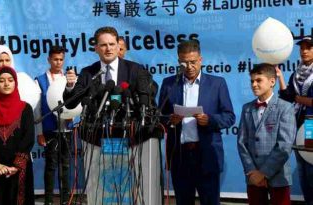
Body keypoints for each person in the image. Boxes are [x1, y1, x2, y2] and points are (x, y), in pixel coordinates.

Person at [64, 26, 162, 205]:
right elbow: (71, 103)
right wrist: (70, 87)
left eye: (111, 44)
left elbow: (149, 96)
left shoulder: (135, 70)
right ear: (96, 48)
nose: (108, 48)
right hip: (97, 140)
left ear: (119, 46)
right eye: (103, 45)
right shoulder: (88, 73)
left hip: (132, 138)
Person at [158, 40, 235, 205]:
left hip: (206, 155)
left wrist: (210, 120)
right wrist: (171, 120)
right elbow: (160, 117)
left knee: (210, 202)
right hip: (180, 155)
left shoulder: (217, 83)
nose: (189, 66)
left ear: (201, 60)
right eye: (184, 63)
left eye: (193, 62)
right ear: (179, 62)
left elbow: (229, 117)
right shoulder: (169, 83)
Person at [238, 63, 296, 205]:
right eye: (252, 81)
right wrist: (252, 171)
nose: (254, 84)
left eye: (259, 80)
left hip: (278, 176)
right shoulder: (247, 108)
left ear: (272, 82)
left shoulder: (285, 107)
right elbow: (241, 142)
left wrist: (263, 173)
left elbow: (284, 146)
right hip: (253, 177)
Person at [0, 66, 35, 205]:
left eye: (10, 80)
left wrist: (17, 165)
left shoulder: (25, 108)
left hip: (20, 168)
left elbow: (28, 137)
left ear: (15, 83)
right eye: (1, 80)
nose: (6, 83)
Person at [277, 35, 313, 204]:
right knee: (303, 169)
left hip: (311, 125)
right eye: (302, 48)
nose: (304, 51)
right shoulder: (297, 72)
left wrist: (297, 98)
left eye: (309, 47)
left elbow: (297, 98)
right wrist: (280, 77)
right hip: (297, 124)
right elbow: (287, 97)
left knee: (311, 168)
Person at [35, 46, 71, 205]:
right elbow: (37, 108)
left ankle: (65, 199)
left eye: (61, 59)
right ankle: (48, 200)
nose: (58, 62)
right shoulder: (40, 80)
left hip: (66, 129)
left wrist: (72, 118)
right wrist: (39, 132)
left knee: (66, 166)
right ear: (49, 59)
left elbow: (75, 104)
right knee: (50, 166)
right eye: (55, 59)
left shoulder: (69, 80)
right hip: (50, 129)